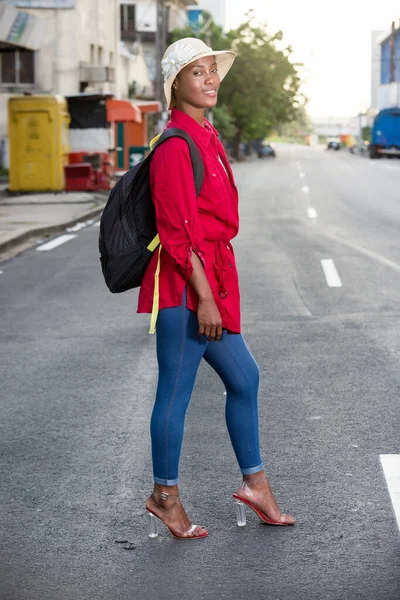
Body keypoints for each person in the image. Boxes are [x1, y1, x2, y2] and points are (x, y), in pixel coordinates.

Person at [137, 38, 296, 539]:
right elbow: (179, 233)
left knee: (244, 378)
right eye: (197, 72)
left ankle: (256, 485)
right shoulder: (175, 146)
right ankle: (165, 497)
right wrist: (205, 296)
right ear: (175, 86)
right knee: (176, 393)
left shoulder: (207, 135)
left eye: (212, 71)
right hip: (187, 287)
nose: (210, 79)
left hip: (212, 277)